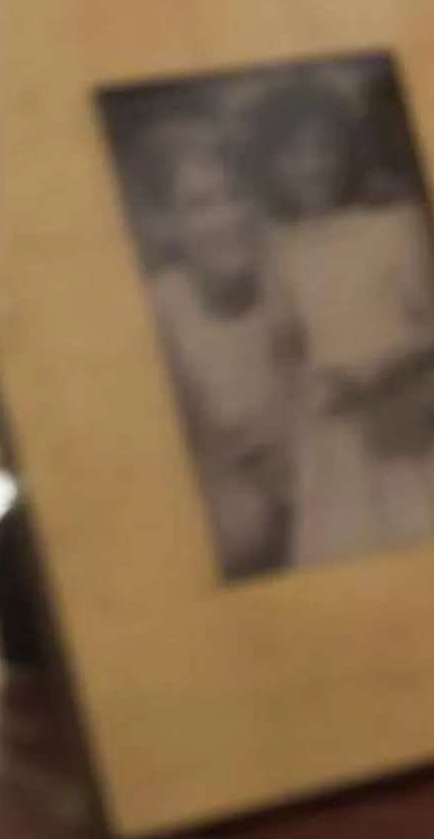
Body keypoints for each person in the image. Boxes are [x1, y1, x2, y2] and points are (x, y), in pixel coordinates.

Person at [254, 75, 434, 565]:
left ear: (343, 153)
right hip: (335, 422)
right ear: (273, 166)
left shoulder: (393, 226)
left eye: (322, 149)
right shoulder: (281, 251)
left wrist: (386, 368)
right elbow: (287, 347)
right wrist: (312, 394)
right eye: (294, 154)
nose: (312, 166)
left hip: (404, 401)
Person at [131, 119, 307, 581]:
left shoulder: (289, 280)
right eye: (201, 205)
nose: (228, 217)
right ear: (165, 224)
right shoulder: (157, 313)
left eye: (235, 195)